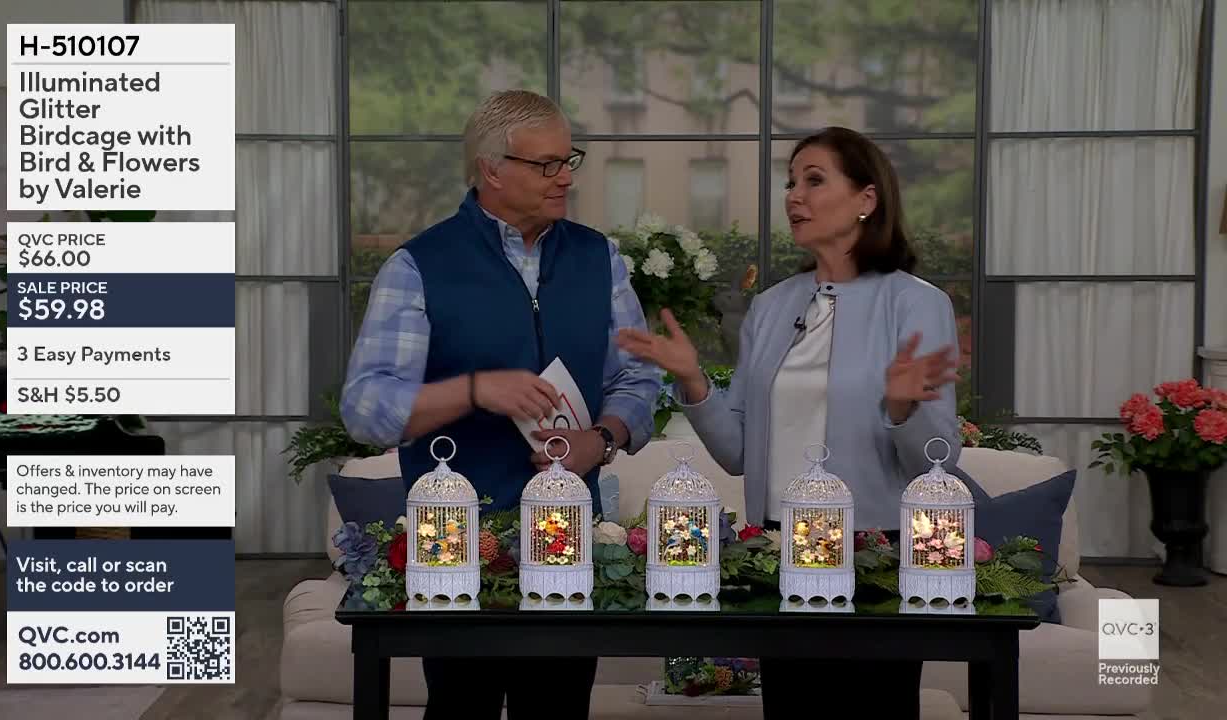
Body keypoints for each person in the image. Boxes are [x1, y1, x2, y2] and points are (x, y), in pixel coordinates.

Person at [616, 126, 961, 720]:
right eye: (790, 182)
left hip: (875, 552)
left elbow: (938, 461)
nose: (794, 196)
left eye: (814, 180)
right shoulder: (773, 308)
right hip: (780, 550)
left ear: (866, 200)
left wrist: (902, 408)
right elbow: (738, 454)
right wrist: (693, 378)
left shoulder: (915, 302)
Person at [340, 89, 660, 720]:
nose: (565, 175)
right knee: (461, 710)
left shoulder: (604, 260)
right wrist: (472, 390)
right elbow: (366, 409)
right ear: (491, 169)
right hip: (454, 547)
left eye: (570, 160)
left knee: (560, 711)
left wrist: (607, 436)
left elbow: (640, 378)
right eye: (546, 164)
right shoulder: (418, 267)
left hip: (570, 542)